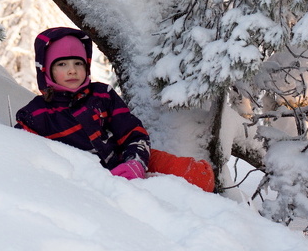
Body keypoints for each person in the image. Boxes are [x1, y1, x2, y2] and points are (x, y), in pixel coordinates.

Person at [15, 27, 215, 191]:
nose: (72, 70)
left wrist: (135, 162)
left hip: (127, 159)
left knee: (196, 176)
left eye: (78, 63)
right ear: (47, 70)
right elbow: (19, 150)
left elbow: (132, 132)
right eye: (62, 64)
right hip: (90, 178)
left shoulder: (102, 95)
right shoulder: (37, 113)